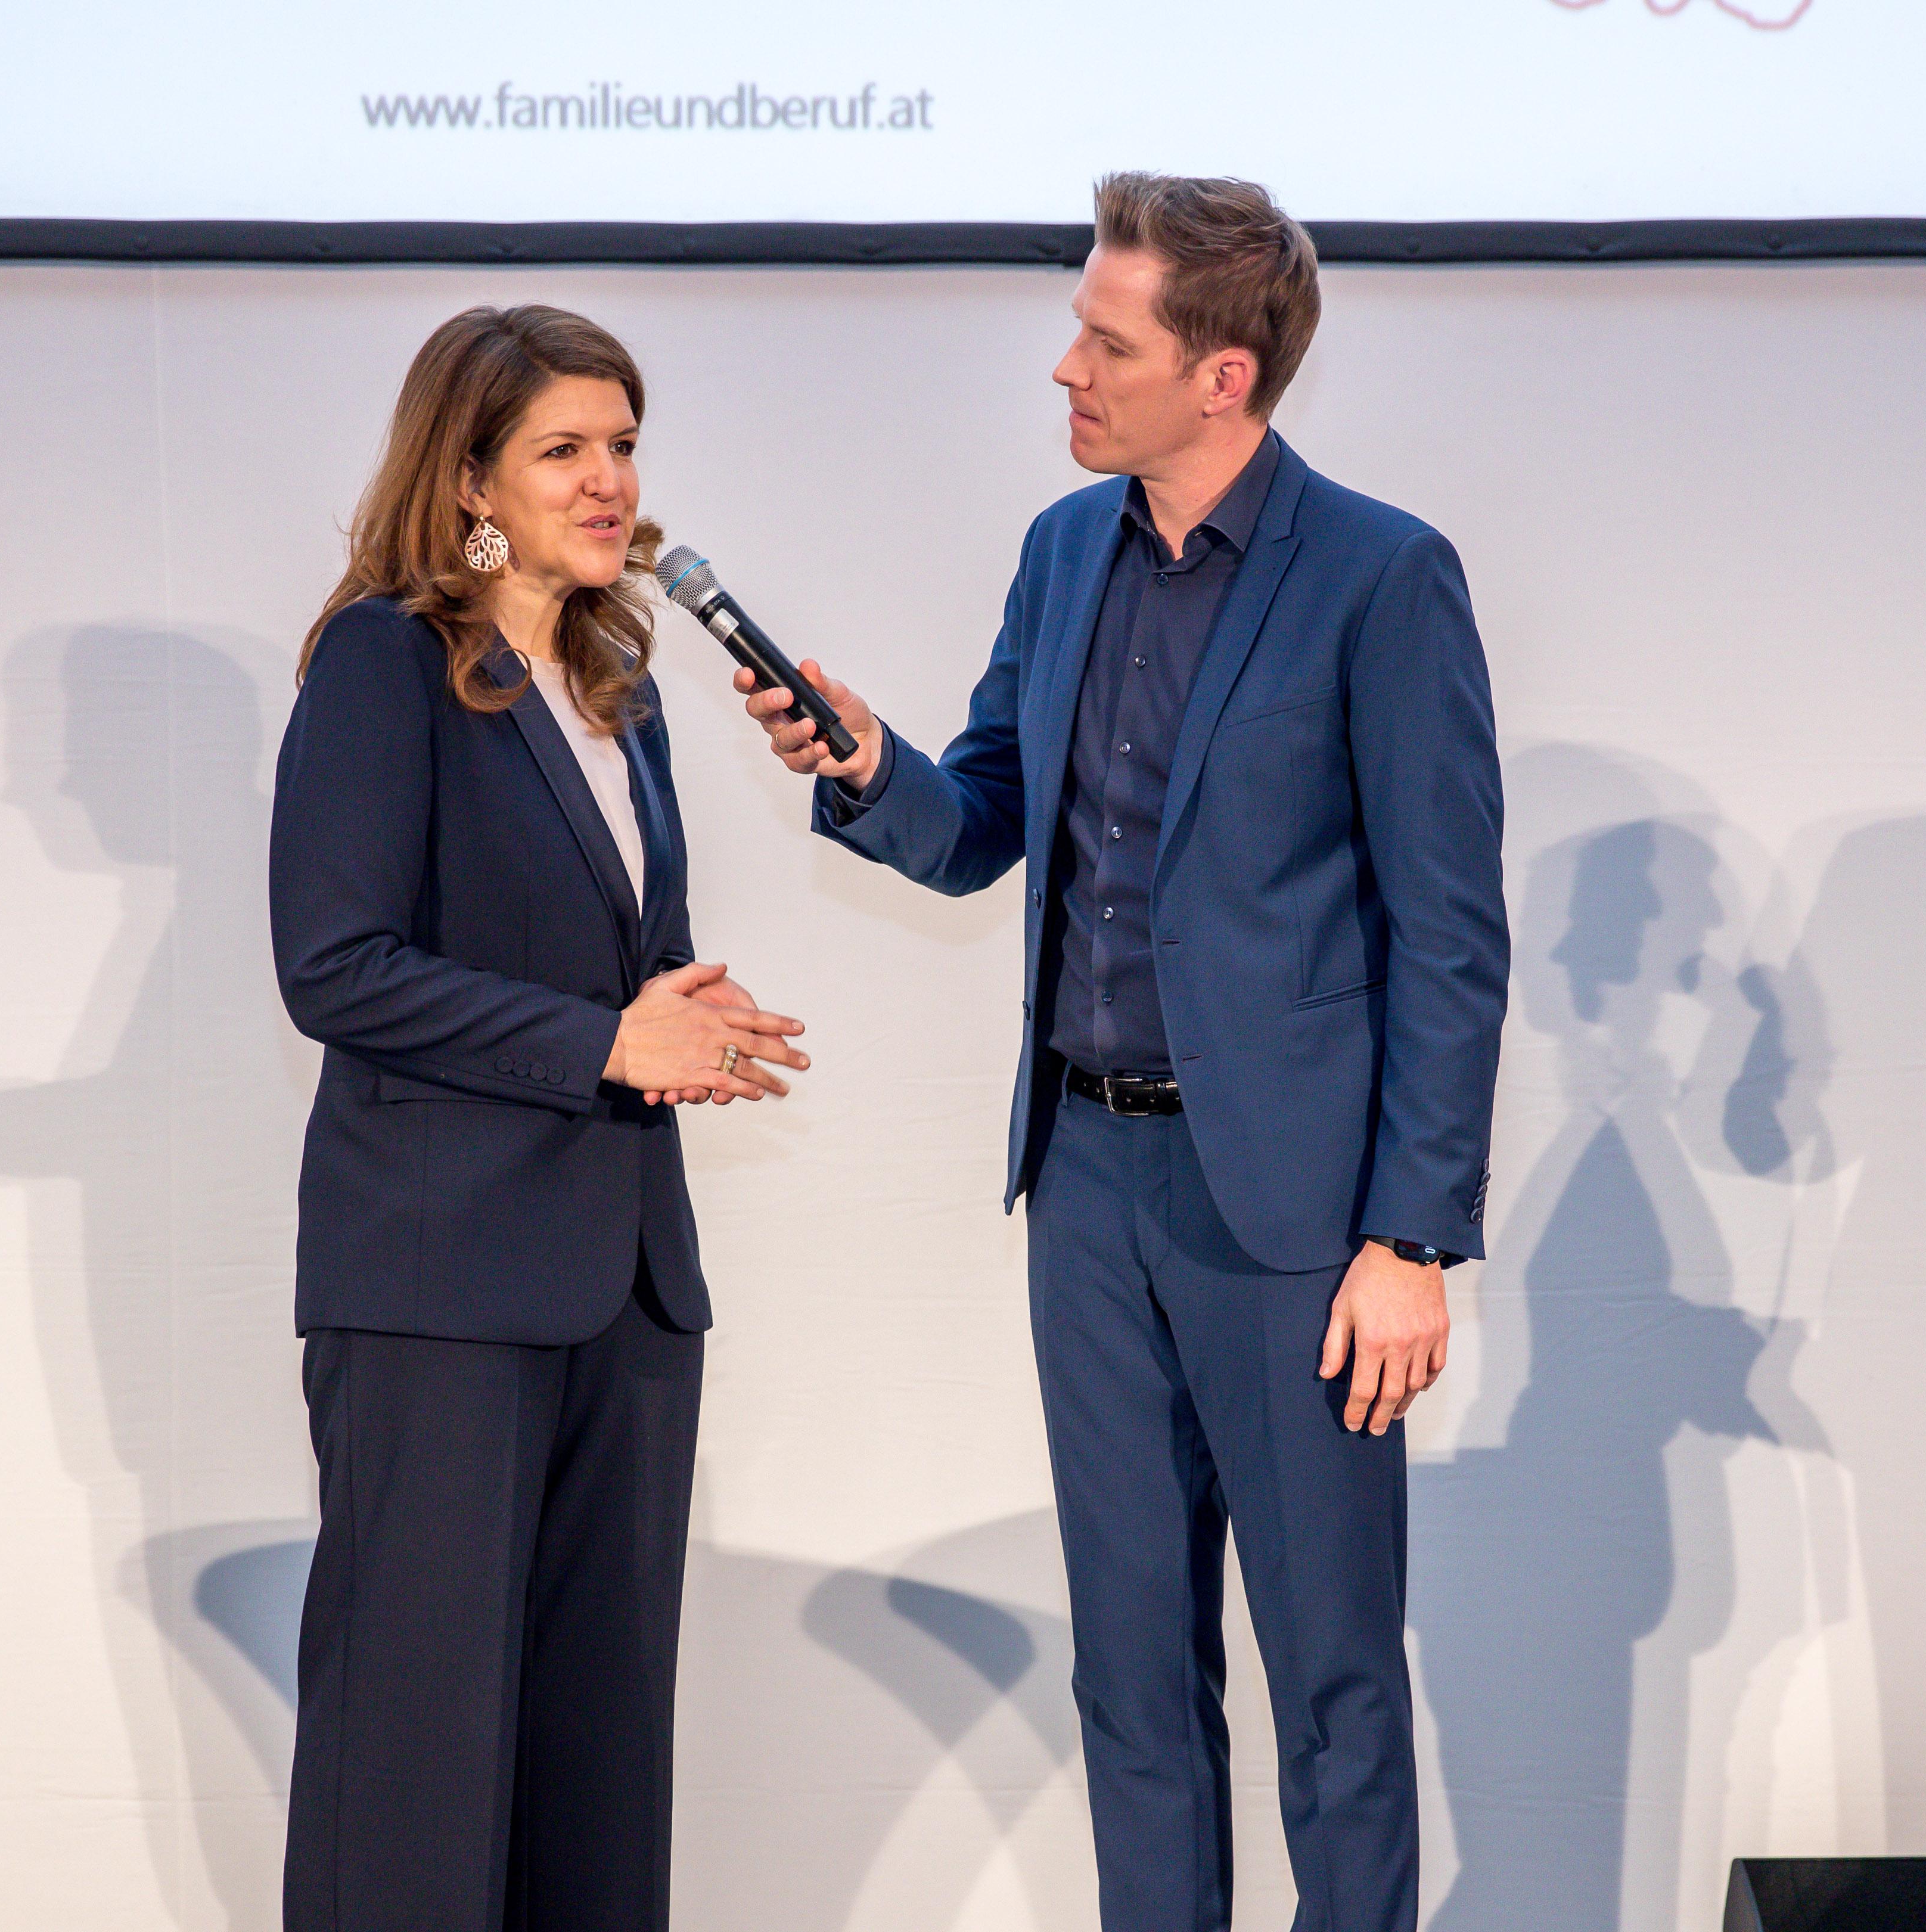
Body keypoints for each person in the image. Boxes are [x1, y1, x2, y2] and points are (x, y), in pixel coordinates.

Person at [736, 176, 1508, 1931]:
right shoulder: (1064, 547)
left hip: (1295, 1219)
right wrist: (866, 765)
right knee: (1131, 1674)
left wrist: (1412, 1236)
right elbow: (985, 819)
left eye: (1106, 341)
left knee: (1333, 1685)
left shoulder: (1382, 575)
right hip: (1086, 1185)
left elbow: (1449, 934)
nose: (1065, 368)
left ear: (1222, 376)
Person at [270, 303, 809, 1932]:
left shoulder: (617, 691)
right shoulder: (384, 660)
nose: (607, 480)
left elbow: (616, 974)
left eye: (622, 444)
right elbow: (335, 966)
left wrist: (681, 1020)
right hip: (440, 1287)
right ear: (468, 479)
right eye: (563, 448)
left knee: (598, 1763)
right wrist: (606, 1039)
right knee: (413, 1762)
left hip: (625, 1286)